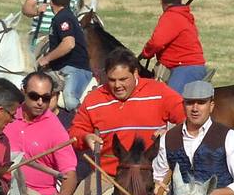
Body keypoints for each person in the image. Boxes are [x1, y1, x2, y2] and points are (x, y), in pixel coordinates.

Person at [69, 46, 184, 179]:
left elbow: (190, 121)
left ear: (135, 73)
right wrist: (86, 137)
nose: (117, 85)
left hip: (151, 177)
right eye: (112, 80)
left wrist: (170, 135)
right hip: (107, 177)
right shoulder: (93, 100)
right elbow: (74, 134)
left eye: (123, 79)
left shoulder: (159, 92)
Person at [4, 70, 78, 195]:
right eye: (34, 96)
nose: (40, 102)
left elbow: (69, 174)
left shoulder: (56, 129)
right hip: (1, 192)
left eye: (46, 98)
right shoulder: (6, 115)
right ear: (23, 92)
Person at [36, 0, 94, 119]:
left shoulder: (63, 18)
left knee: (69, 99)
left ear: (51, 2)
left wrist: (46, 59)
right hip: (62, 68)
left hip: (75, 69)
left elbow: (68, 44)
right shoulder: (65, 16)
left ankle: (82, 123)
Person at [140, 0, 208, 94]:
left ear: (161, 1)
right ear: (180, 0)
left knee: (170, 100)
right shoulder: (184, 16)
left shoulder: (171, 16)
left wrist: (146, 53)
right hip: (189, 67)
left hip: (184, 68)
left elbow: (156, 42)